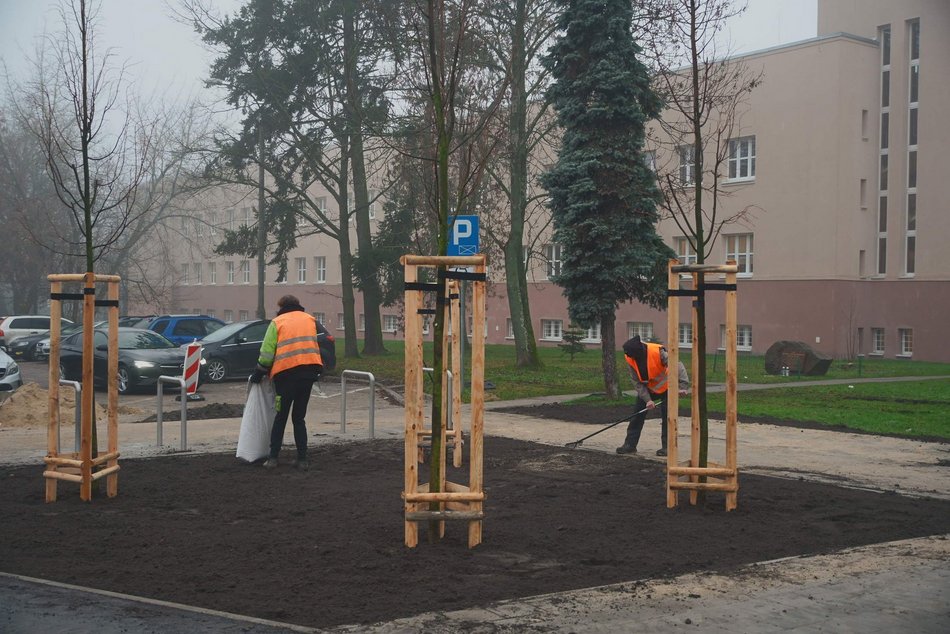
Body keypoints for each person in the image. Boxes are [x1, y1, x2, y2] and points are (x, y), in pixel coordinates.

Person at [251, 295, 323, 470]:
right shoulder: (310, 320)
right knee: (299, 418)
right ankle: (303, 459)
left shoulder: (277, 322)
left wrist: (259, 372)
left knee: (281, 417)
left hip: (285, 378)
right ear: (298, 304)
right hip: (308, 376)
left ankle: (273, 458)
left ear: (281, 306)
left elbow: (267, 353)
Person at [616, 335, 689, 457]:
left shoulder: (658, 352)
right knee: (637, 416)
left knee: (668, 418)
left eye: (634, 357)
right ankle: (630, 445)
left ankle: (667, 447)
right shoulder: (630, 357)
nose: (632, 359)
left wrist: (682, 387)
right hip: (647, 389)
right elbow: (636, 382)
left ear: (641, 352)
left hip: (667, 387)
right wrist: (647, 400)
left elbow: (676, 365)